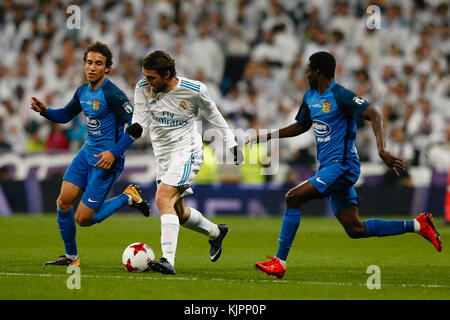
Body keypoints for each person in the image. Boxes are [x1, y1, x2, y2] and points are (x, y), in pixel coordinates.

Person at [250, 51, 443, 279]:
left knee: (293, 198)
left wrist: (382, 149)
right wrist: (269, 135)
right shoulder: (310, 97)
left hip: (343, 167)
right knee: (355, 229)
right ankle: (419, 225)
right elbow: (301, 126)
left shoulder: (341, 95)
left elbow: (375, 114)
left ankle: (279, 262)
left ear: (318, 71)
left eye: (309, 70)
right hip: (328, 169)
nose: (306, 74)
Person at [30, 41, 150, 266]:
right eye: (89, 62)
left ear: (107, 68)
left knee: (83, 219)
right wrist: (46, 112)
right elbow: (66, 115)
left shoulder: (113, 94)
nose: (92, 67)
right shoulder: (83, 91)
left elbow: (136, 126)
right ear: (84, 64)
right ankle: (71, 257)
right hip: (86, 153)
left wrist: (113, 153)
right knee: (63, 201)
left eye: (98, 63)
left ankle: (128, 197)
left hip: (106, 161)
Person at [129, 50, 243, 275]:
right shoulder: (142, 87)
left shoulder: (195, 90)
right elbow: (140, 119)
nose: (147, 82)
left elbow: (215, 115)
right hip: (162, 155)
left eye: (152, 78)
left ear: (168, 74)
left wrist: (231, 142)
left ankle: (167, 260)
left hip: (187, 150)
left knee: (162, 198)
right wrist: (133, 129)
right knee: (178, 213)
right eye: (145, 76)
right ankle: (215, 232)